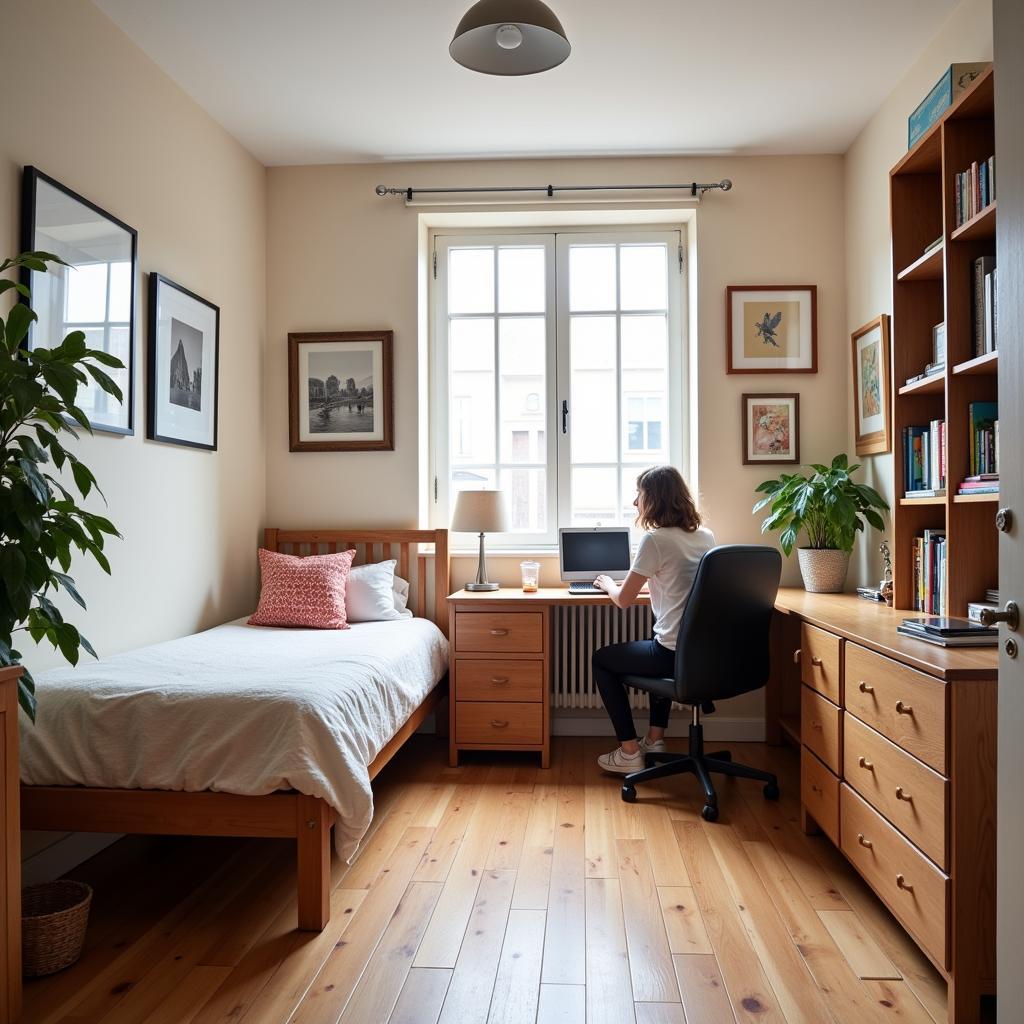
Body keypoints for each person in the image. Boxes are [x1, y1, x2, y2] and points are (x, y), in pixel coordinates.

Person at [591, 465, 715, 774]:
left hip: (671, 654)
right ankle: (655, 740)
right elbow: (686, 581)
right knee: (655, 632)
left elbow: (623, 601)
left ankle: (629, 751)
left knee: (601, 660)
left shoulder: (655, 540)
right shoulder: (705, 536)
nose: (636, 502)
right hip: (704, 654)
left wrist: (608, 583)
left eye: (640, 494)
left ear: (655, 498)